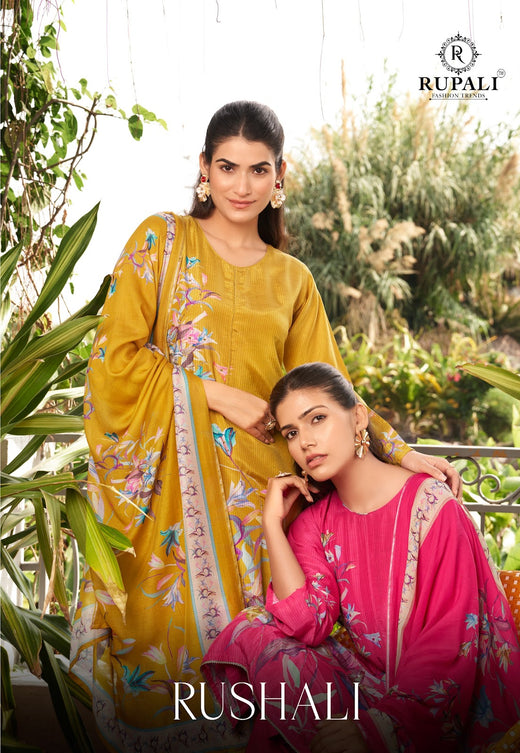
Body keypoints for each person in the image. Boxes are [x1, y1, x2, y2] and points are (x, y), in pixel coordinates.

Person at [69, 101, 461, 753]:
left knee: (253, 668)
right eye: (227, 167)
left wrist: (401, 453)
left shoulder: (291, 279)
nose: (242, 185)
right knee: (166, 658)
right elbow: (113, 359)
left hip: (261, 501)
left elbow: (332, 390)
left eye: (258, 169)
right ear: (204, 168)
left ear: (280, 176)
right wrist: (215, 395)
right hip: (169, 498)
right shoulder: (160, 241)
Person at [201, 362, 520, 753]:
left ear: (358, 417)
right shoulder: (314, 523)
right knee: (255, 629)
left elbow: (449, 639)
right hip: (369, 689)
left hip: (441, 702)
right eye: (291, 432)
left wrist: (379, 728)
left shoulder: (432, 507)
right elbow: (306, 623)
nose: (305, 442)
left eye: (317, 419)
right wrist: (272, 523)